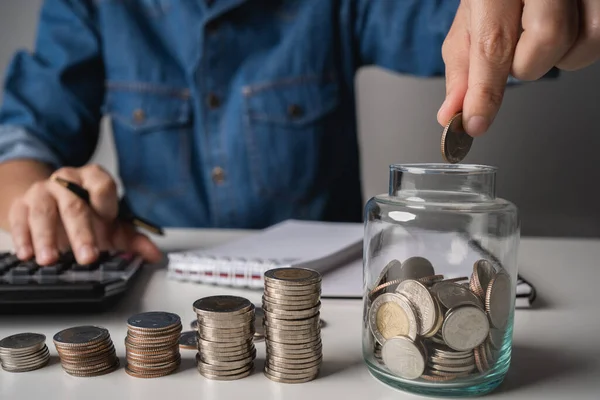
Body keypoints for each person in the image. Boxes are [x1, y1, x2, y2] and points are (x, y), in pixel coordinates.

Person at [0, 0, 598, 268]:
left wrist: (535, 21)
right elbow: (23, 139)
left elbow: (481, 28)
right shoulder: (90, 5)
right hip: (166, 288)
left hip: (329, 305)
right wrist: (37, 201)